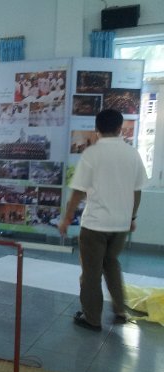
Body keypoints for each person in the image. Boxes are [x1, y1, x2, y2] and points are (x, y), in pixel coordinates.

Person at [58, 109, 147, 331]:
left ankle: (92, 318)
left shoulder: (92, 154)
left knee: (91, 273)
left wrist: (67, 218)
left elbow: (78, 192)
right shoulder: (132, 154)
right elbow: (137, 191)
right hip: (121, 225)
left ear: (97, 129)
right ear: (119, 128)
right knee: (112, 264)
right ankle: (120, 310)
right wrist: (132, 217)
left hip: (95, 225)